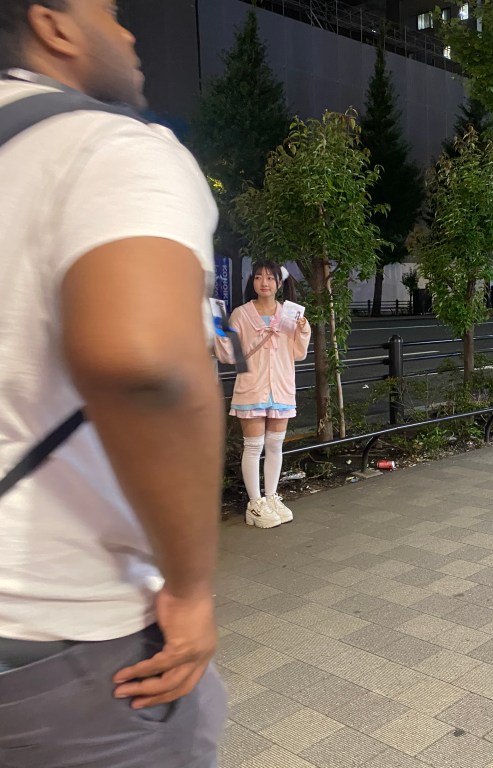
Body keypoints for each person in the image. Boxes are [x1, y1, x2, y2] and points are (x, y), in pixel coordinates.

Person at [0, 1, 226, 764]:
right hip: (55, 634)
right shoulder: (108, 147)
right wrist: (190, 589)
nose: (130, 35)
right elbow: (145, 363)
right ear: (54, 26)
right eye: (111, 11)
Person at [215, 262, 310, 529]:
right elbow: (229, 354)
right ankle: (255, 503)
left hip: (281, 387)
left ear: (279, 283)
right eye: (258, 277)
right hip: (252, 387)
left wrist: (303, 329)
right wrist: (218, 328)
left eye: (270, 278)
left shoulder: (290, 314)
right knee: (254, 446)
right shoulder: (241, 314)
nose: (264, 283)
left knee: (275, 445)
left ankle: (271, 497)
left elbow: (298, 353)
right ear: (252, 282)